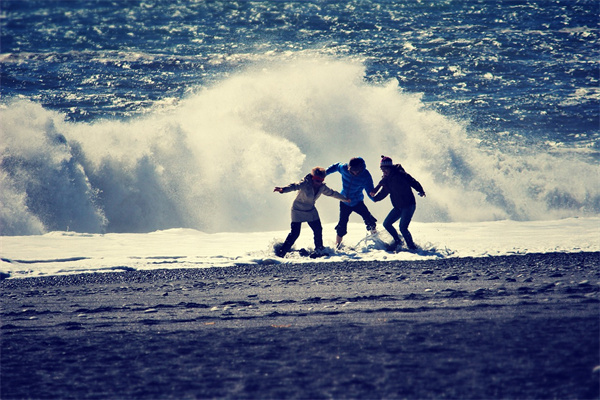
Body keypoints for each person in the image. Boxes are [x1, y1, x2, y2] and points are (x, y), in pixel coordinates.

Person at [274, 167, 349, 257]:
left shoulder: (322, 187)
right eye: (317, 180)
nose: (319, 183)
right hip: (297, 209)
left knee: (318, 229)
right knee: (295, 233)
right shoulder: (305, 183)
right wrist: (283, 189)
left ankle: (319, 250)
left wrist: (344, 199)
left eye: (321, 180)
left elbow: (332, 193)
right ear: (313, 177)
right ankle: (282, 253)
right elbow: (294, 186)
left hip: (310, 210)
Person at [371, 155, 426, 251]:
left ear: (390, 168)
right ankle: (398, 241)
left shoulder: (401, 174)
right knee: (387, 223)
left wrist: (420, 190)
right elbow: (385, 192)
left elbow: (413, 181)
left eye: (385, 169)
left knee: (403, 227)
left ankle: (412, 247)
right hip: (398, 207)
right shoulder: (386, 179)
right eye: (382, 169)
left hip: (409, 205)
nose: (384, 171)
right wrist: (376, 198)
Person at [326, 157, 377, 248]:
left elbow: (369, 190)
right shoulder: (344, 168)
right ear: (349, 168)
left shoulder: (366, 175)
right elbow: (335, 166)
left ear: (362, 168)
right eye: (353, 170)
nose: (355, 173)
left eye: (357, 170)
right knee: (342, 223)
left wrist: (374, 199)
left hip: (358, 202)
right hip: (344, 202)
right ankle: (337, 245)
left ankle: (377, 240)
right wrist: (324, 174)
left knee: (369, 220)